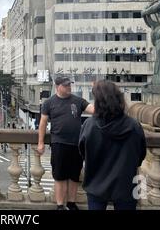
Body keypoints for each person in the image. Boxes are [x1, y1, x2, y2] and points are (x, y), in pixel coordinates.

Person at [78, 80, 146, 210]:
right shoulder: (134, 126)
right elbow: (140, 155)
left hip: (95, 183)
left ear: (98, 101)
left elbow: (83, 152)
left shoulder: (89, 125)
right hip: (126, 184)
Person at [37, 76, 94, 210]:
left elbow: (92, 109)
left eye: (69, 85)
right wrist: (40, 142)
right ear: (58, 87)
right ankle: (60, 205)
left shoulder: (78, 101)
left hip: (76, 144)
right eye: (66, 85)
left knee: (74, 176)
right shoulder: (49, 103)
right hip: (59, 143)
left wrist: (99, 95)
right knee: (60, 176)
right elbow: (43, 123)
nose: (69, 87)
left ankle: (71, 203)